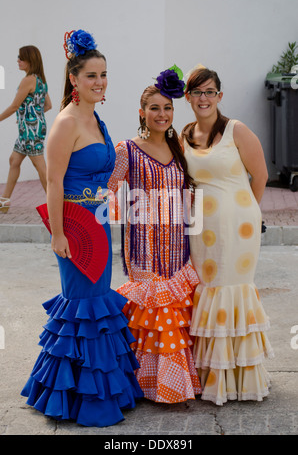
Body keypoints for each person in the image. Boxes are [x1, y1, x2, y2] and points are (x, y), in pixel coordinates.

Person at [21, 30, 143, 427]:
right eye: (91, 75)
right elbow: (53, 183)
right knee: (83, 307)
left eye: (104, 74)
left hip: (100, 225)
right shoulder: (65, 122)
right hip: (74, 228)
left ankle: (101, 388)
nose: (100, 82)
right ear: (74, 79)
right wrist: (57, 234)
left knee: (98, 305)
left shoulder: (97, 119)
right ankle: (75, 396)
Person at [181, 65, 274, 405]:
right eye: (197, 92)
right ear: (188, 97)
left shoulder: (237, 131)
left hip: (238, 227)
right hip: (201, 229)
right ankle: (211, 374)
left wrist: (246, 212)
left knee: (232, 289)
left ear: (219, 96)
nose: (203, 98)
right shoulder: (185, 134)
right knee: (209, 289)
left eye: (209, 92)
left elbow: (260, 175)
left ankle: (242, 376)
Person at [108, 66, 202, 403]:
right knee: (153, 316)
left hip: (179, 248)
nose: (161, 115)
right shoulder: (127, 150)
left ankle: (176, 382)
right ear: (141, 112)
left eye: (167, 108)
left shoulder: (180, 148)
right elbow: (107, 190)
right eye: (154, 108)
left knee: (175, 314)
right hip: (144, 249)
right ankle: (148, 385)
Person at [0, 45, 52, 212]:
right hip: (30, 129)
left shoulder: (28, 80)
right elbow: (48, 105)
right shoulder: (40, 80)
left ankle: (54, 203)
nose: (18, 60)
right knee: (14, 160)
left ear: (30, 61)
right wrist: (29, 116)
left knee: (40, 166)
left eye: (21, 58)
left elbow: (15, 105)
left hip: (30, 131)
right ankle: (5, 200)